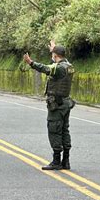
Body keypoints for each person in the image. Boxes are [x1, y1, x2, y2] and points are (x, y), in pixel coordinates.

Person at [23, 42, 75, 170]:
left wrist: (31, 63)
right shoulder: (68, 66)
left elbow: (47, 69)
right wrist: (54, 50)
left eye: (53, 54)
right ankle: (66, 161)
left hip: (57, 105)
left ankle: (57, 161)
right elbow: (55, 65)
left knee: (54, 130)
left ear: (56, 56)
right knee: (64, 130)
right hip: (65, 103)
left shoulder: (59, 68)